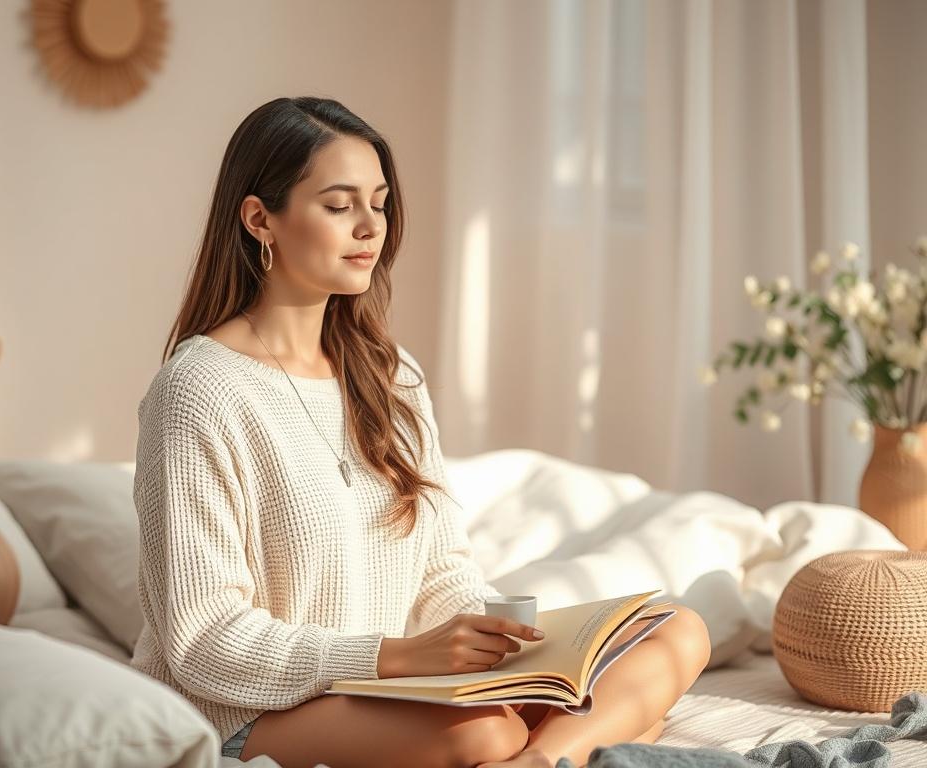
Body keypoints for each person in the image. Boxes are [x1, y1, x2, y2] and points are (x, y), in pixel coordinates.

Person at [130, 96, 711, 768]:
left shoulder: (390, 374)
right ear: (261, 218)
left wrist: (494, 648)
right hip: (247, 707)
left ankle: (542, 761)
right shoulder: (197, 388)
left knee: (676, 630)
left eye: (378, 202)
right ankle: (578, 746)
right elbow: (203, 640)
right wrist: (401, 656)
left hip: (398, 687)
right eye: (339, 204)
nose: (369, 227)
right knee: (484, 733)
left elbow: (441, 566)